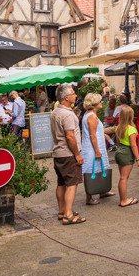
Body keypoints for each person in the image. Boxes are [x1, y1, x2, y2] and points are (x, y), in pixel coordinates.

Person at [51, 84, 86, 225]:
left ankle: (62, 211)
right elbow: (70, 137)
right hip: (68, 154)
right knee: (72, 184)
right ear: (66, 97)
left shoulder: (55, 112)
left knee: (61, 183)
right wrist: (77, 154)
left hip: (58, 153)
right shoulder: (67, 114)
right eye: (73, 94)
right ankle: (68, 215)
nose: (75, 95)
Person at [81, 93, 114, 206]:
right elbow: (92, 135)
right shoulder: (92, 116)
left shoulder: (88, 114)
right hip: (92, 148)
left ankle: (103, 191)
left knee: (100, 168)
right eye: (100, 101)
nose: (102, 103)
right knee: (92, 171)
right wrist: (97, 150)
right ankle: (89, 197)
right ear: (94, 103)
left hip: (92, 147)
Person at [114, 105, 139, 207]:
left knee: (122, 177)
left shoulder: (118, 128)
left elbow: (118, 142)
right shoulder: (131, 129)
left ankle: (122, 198)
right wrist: (138, 158)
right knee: (124, 178)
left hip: (119, 151)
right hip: (126, 152)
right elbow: (133, 145)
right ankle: (124, 200)